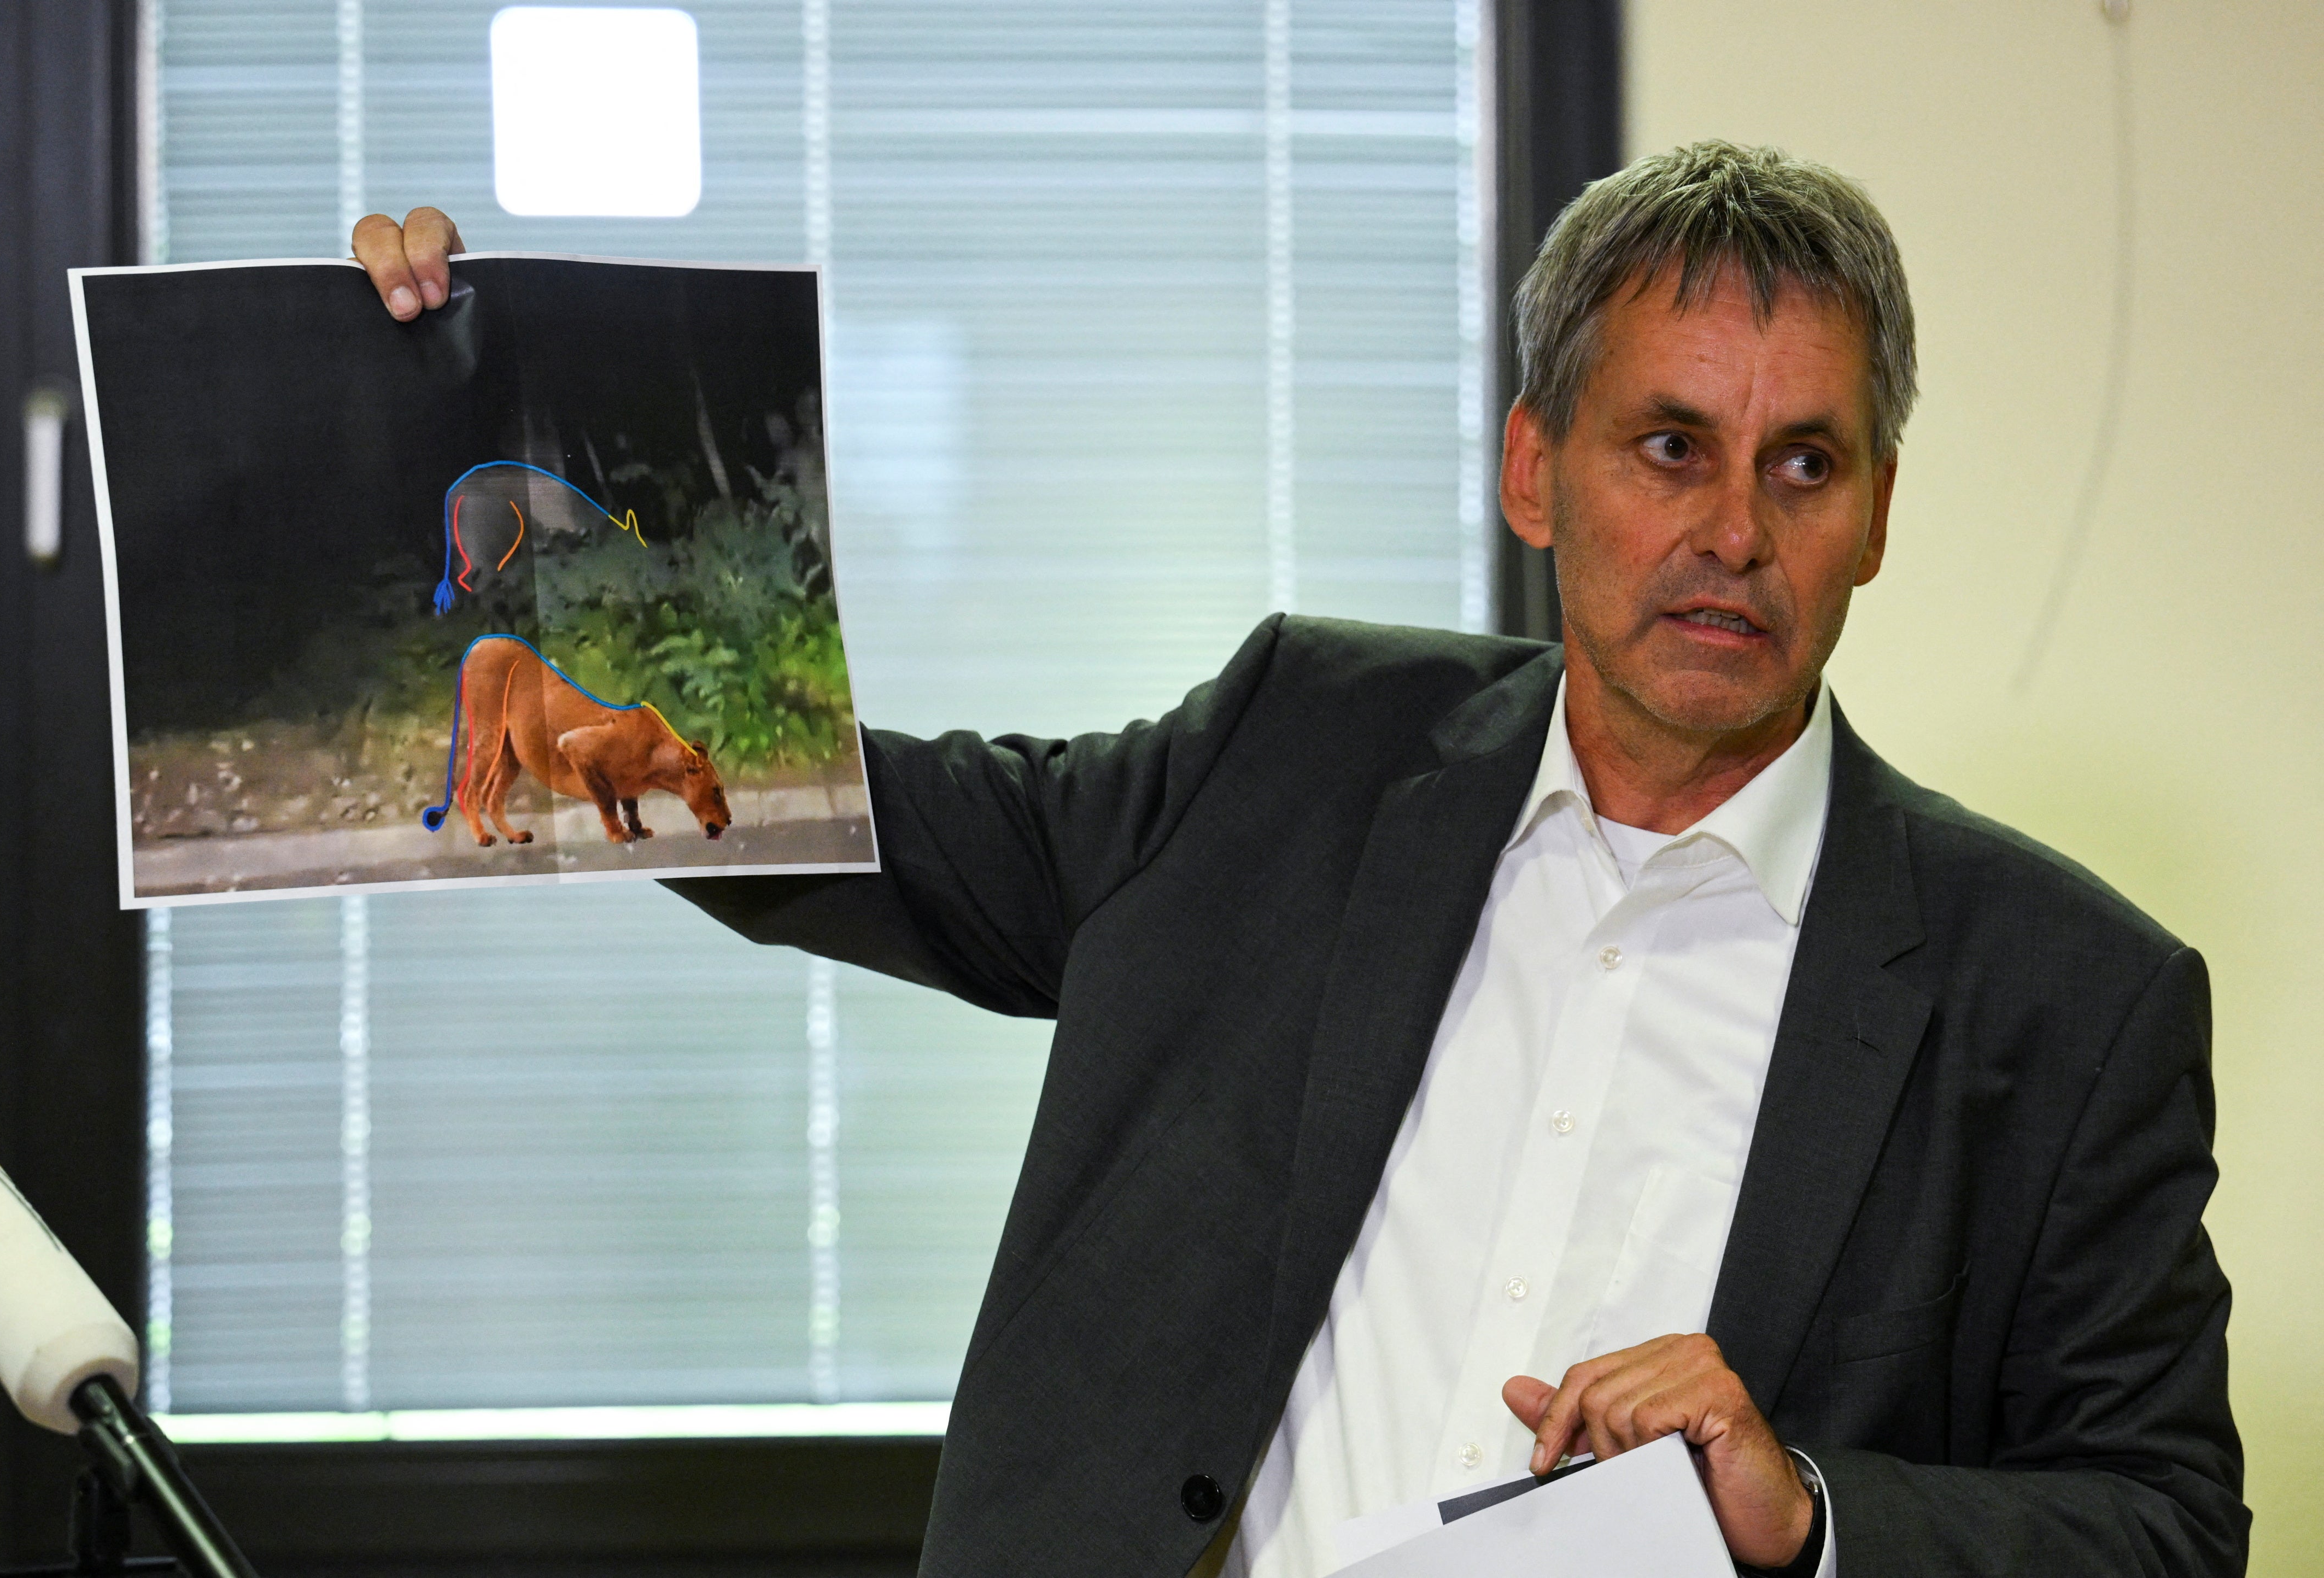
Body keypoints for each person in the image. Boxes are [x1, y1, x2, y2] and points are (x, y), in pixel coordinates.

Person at [354, 141, 2246, 1576]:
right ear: (1534, 472)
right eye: (1669, 445)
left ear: (1879, 516)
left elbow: (2167, 1524)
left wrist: (1807, 1512)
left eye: (1804, 465)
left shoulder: (2068, 1002)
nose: (1735, 529)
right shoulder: (1304, 747)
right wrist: (472, 403)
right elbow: (873, 832)